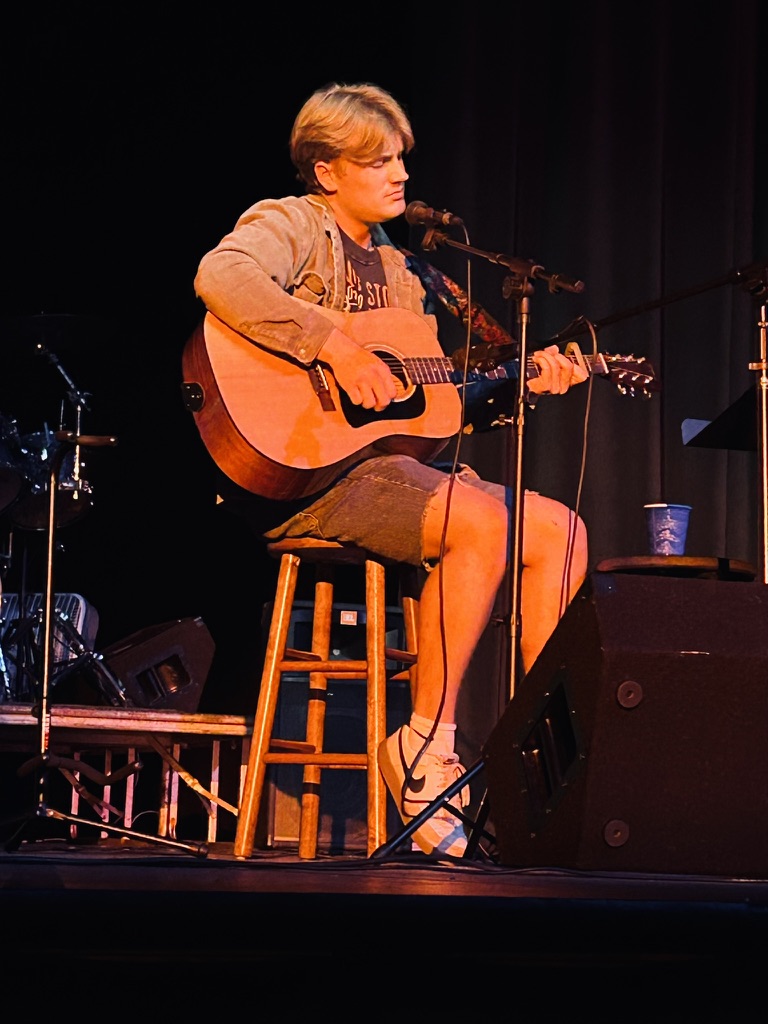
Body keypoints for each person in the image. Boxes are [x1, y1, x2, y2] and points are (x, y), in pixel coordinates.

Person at [193, 81, 589, 858]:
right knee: (480, 519)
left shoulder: (407, 275)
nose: (400, 175)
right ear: (328, 170)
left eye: (402, 159)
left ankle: (549, 765)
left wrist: (518, 384)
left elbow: (429, 409)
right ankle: (425, 745)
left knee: (560, 530)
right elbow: (220, 276)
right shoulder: (293, 223)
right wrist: (332, 344)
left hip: (389, 474)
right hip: (306, 478)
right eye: (378, 161)